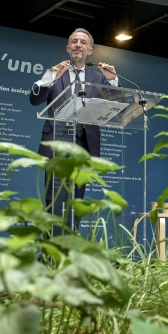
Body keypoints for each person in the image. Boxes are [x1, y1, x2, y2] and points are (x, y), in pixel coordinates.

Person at [29, 28, 119, 232]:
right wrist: (48, 79)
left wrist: (113, 80)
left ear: (89, 50)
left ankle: (70, 245)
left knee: (77, 197)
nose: (78, 44)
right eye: (74, 41)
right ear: (68, 48)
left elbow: (116, 104)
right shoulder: (55, 73)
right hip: (56, 142)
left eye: (83, 42)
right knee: (54, 196)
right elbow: (34, 100)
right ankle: (51, 253)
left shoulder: (99, 78)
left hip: (84, 144)